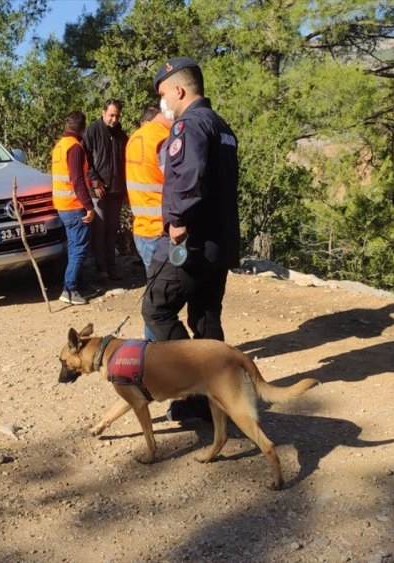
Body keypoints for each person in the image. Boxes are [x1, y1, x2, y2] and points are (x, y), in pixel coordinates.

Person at [142, 57, 241, 421]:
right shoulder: (221, 125)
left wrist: (178, 221)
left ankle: (193, 386)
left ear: (179, 90)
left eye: (163, 93)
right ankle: (216, 395)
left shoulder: (189, 125)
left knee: (155, 306)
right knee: (206, 316)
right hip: (220, 242)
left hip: (193, 242)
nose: (163, 101)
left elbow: (191, 176)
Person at [125, 104, 172, 340]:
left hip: (141, 227)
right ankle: (156, 352)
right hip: (160, 230)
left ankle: (152, 350)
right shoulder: (164, 138)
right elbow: (175, 182)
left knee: (154, 295)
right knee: (160, 301)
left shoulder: (135, 138)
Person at [51, 111, 95, 306]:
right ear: (83, 129)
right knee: (79, 249)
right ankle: (69, 289)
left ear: (66, 126)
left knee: (73, 247)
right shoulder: (75, 148)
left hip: (62, 205)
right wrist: (89, 206)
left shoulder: (60, 146)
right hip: (74, 205)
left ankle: (77, 283)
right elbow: (77, 180)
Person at [81, 99, 128, 281]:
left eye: (117, 115)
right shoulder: (92, 131)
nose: (114, 119)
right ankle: (100, 269)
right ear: (103, 113)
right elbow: (85, 158)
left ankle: (111, 266)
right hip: (98, 191)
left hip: (116, 190)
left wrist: (125, 190)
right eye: (111, 115)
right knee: (99, 231)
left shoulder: (121, 136)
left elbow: (125, 164)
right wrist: (94, 180)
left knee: (111, 230)